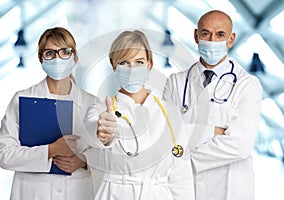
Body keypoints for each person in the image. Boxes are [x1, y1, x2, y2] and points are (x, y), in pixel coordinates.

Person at [163, 10, 262, 200]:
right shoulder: (176, 82)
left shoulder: (247, 85)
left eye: (220, 35)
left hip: (229, 189)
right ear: (196, 36)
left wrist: (184, 158)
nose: (212, 40)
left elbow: (240, 145)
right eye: (206, 33)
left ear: (231, 40)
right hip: (183, 189)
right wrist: (210, 132)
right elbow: (168, 136)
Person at [83, 30, 195, 199]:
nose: (131, 69)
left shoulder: (170, 112)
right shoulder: (100, 111)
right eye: (124, 62)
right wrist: (102, 133)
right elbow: (93, 133)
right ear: (113, 65)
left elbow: (181, 177)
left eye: (139, 62)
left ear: (149, 64)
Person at [0, 27, 96, 200]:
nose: (58, 59)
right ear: (41, 59)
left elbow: (108, 156)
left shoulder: (92, 103)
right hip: (32, 193)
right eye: (50, 53)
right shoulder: (22, 99)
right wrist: (51, 150)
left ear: (75, 57)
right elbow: (4, 155)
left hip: (76, 192)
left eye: (65, 52)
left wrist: (84, 161)